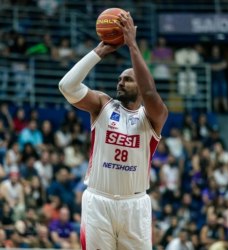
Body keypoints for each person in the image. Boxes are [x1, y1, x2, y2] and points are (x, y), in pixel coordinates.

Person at [58, 11, 168, 250]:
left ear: (141, 81)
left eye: (128, 79)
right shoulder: (102, 105)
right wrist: (99, 52)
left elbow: (150, 94)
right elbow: (66, 86)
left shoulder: (153, 115)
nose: (120, 82)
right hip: (99, 201)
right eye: (119, 78)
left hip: (135, 205)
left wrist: (132, 46)